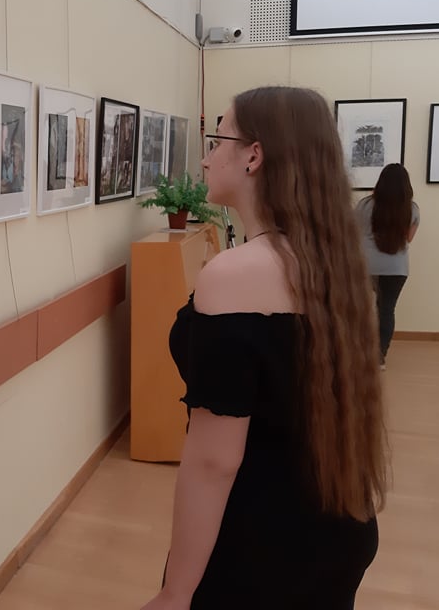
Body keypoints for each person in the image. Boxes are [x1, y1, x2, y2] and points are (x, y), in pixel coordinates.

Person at [142, 87, 386, 610]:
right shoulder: (336, 267)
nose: (206, 158)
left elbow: (214, 461)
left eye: (217, 140)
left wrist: (176, 590)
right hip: (340, 524)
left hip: (262, 543)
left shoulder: (233, 275)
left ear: (254, 155)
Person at [355, 164, 419, 368]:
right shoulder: (412, 209)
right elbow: (408, 239)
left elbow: (355, 231)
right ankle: (379, 357)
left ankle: (357, 352)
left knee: (361, 309)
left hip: (366, 265)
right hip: (396, 268)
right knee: (386, 310)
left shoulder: (364, 205)